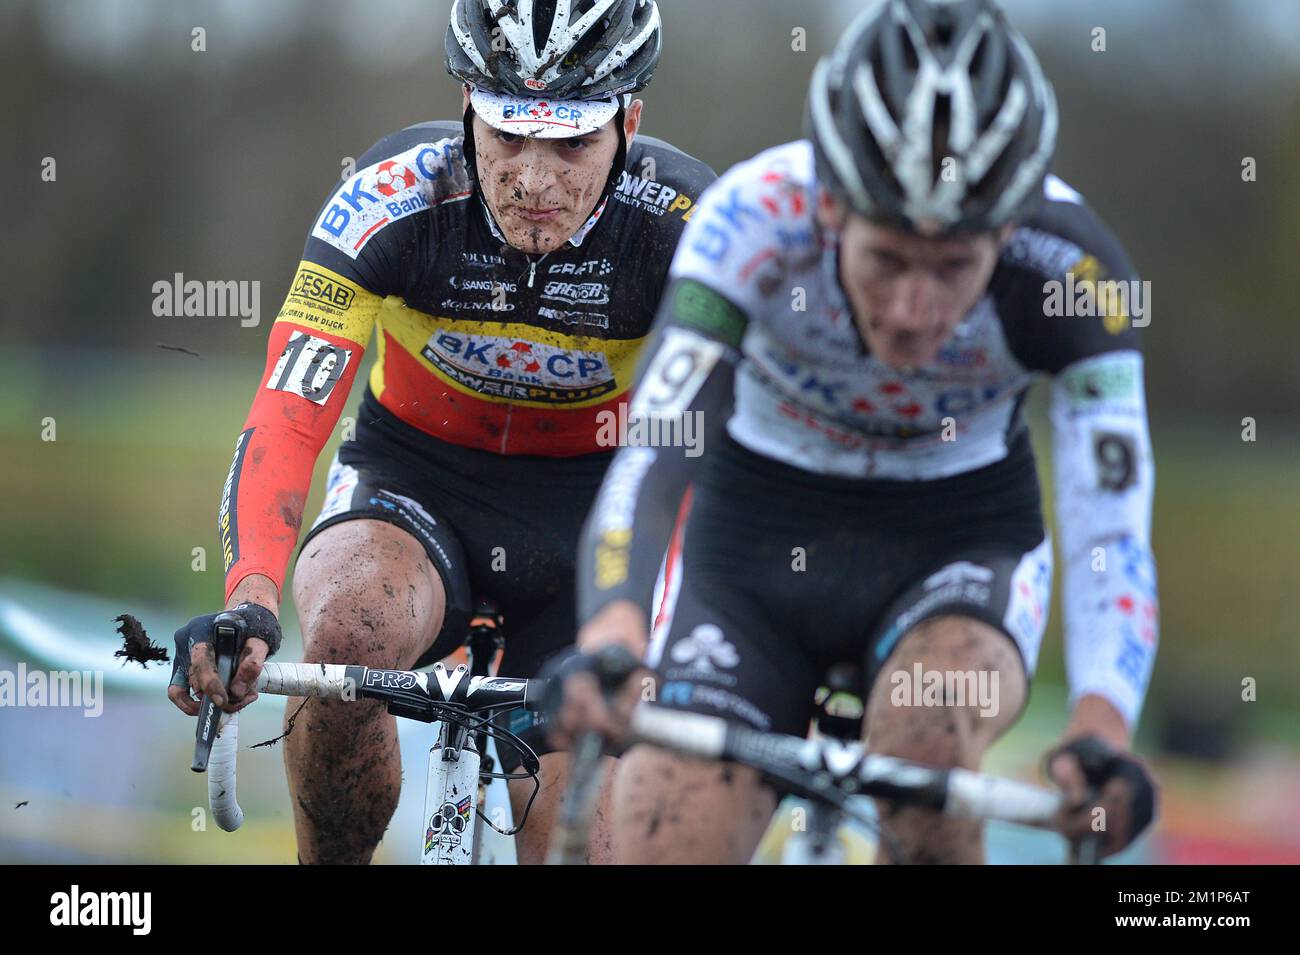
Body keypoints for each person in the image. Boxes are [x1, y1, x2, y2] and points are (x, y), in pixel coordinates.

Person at [557, 0, 1158, 864]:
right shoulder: (750, 220)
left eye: (955, 268)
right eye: (887, 260)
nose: (916, 310)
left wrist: (1103, 724)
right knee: (663, 835)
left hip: (957, 545)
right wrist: (612, 629)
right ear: (831, 209)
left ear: (1010, 229)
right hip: (749, 548)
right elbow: (657, 444)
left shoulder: (1075, 272)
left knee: (924, 748)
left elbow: (1111, 523)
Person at [166, 0, 714, 865]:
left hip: (600, 520)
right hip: (414, 485)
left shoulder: (687, 229)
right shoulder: (389, 200)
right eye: (506, 136)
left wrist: (669, 639)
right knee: (345, 624)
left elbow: (716, 461)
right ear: (466, 104)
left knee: (588, 847)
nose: (534, 180)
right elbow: (286, 410)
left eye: (571, 143)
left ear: (629, 122)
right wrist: (251, 596)